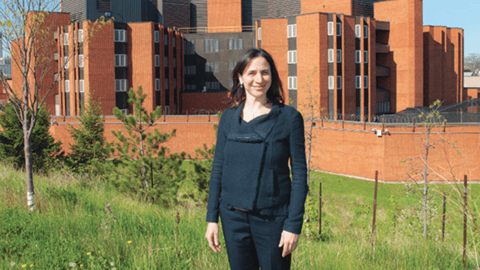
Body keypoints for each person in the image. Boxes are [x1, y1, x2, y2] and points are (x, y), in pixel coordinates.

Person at [204, 48, 308, 270]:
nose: (259, 79)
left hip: (273, 221)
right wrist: (212, 219)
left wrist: (293, 225)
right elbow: (218, 170)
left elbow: (299, 175)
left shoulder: (289, 118)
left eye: (265, 72)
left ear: (272, 76)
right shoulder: (229, 119)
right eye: (251, 73)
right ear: (240, 78)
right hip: (233, 219)